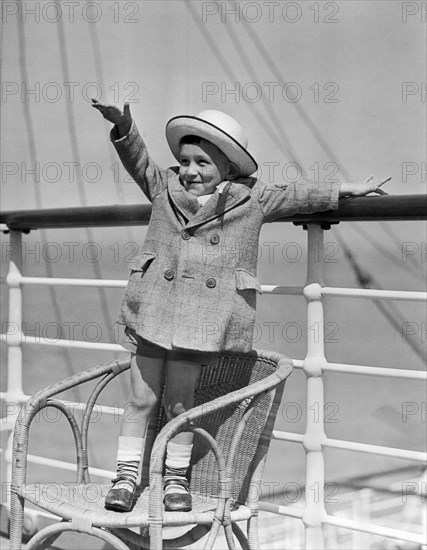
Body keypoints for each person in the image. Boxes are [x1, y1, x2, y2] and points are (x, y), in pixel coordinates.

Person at [92, 99, 390, 513]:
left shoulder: (253, 199)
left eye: (203, 162)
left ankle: (175, 479)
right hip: (154, 309)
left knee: (181, 403)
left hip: (204, 318)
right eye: (185, 160)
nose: (191, 170)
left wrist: (344, 190)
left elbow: (298, 195)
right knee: (141, 400)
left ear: (229, 167)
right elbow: (138, 160)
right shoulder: (164, 187)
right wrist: (124, 125)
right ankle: (125, 477)